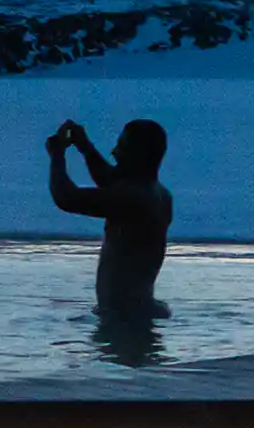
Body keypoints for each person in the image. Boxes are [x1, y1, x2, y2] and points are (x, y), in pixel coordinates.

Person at [47, 116, 172, 317]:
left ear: (138, 156)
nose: (113, 152)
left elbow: (66, 198)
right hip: (133, 311)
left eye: (122, 147)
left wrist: (57, 155)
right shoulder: (156, 193)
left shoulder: (135, 199)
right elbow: (111, 181)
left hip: (126, 318)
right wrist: (85, 147)